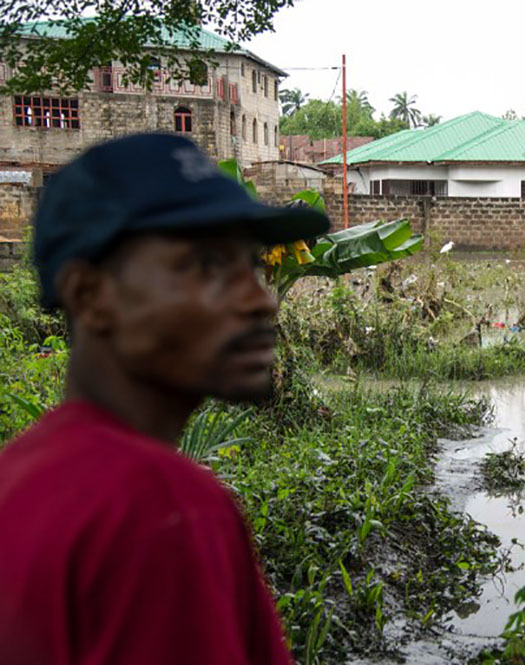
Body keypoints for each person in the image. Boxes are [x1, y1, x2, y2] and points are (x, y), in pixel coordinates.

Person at [0, 134, 329, 664]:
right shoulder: (159, 506)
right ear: (89, 294)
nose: (260, 300)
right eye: (206, 265)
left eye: (252, 265)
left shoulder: (20, 476)